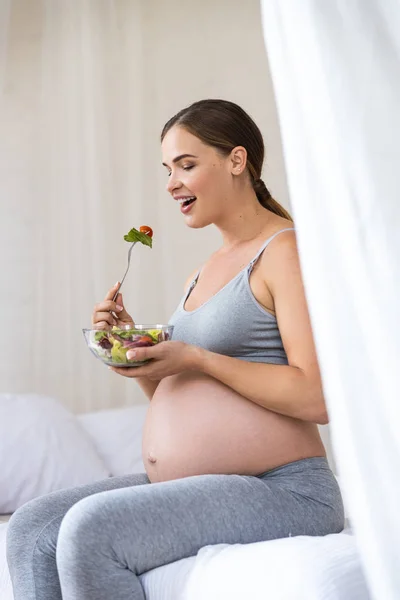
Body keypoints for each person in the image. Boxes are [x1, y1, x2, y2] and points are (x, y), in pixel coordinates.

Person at [7, 99, 344, 600]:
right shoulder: (201, 274)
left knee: (89, 531)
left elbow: (316, 397)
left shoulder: (284, 252)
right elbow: (183, 399)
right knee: (31, 528)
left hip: (284, 489)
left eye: (186, 165)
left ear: (236, 160)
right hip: (198, 481)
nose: (171, 184)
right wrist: (139, 358)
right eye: (168, 169)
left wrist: (197, 357)